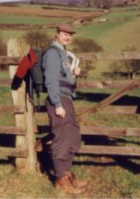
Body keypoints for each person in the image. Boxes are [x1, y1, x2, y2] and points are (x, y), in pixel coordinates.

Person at [42, 24, 86, 194]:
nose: (68, 37)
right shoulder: (53, 53)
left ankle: (67, 175)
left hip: (65, 98)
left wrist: (73, 74)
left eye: (70, 35)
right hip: (59, 99)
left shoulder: (62, 54)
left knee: (72, 136)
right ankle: (61, 180)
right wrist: (57, 104)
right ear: (57, 35)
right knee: (61, 139)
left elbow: (63, 79)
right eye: (64, 34)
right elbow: (51, 81)